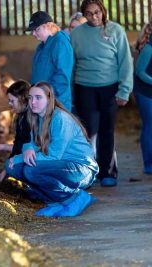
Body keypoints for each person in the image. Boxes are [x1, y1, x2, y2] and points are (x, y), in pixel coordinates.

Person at [0, 82, 99, 217]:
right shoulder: (36, 118)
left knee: (31, 170)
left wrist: (20, 157)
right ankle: (53, 203)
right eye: (30, 97)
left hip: (81, 169)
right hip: (59, 166)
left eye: (38, 97)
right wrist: (27, 148)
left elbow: (54, 155)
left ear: (49, 98)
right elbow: (33, 144)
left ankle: (75, 199)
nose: (33, 102)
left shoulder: (60, 118)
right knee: (12, 167)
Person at [70, 0, 133, 187]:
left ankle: (108, 172)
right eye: (89, 14)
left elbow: (125, 61)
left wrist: (124, 89)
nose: (94, 17)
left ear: (103, 11)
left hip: (109, 87)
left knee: (107, 130)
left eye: (97, 12)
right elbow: (72, 65)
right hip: (84, 87)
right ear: (84, 15)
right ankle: (87, 172)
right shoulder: (77, 34)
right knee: (88, 131)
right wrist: (72, 90)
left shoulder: (115, 30)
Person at [26, 11, 74, 111]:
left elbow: (62, 76)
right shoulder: (42, 46)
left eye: (37, 29)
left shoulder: (60, 43)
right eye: (32, 31)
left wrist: (48, 97)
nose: (33, 34)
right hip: (41, 101)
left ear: (48, 26)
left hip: (56, 102)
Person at [0, 79, 31, 181]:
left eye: (12, 101)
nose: (9, 104)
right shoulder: (21, 117)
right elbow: (18, 144)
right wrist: (5, 171)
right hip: (32, 156)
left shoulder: (31, 119)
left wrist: (4, 147)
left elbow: (23, 147)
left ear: (21, 99)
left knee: (25, 170)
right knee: (10, 165)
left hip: (41, 158)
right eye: (9, 101)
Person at [133, 18, 152, 174]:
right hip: (145, 90)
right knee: (150, 124)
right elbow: (140, 72)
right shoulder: (149, 47)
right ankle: (148, 164)